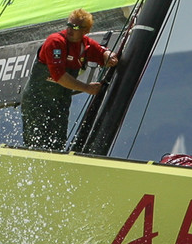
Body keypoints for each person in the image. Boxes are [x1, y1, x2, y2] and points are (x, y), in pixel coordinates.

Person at [20, 8, 119, 151]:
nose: (71, 30)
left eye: (76, 27)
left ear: (86, 30)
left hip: (60, 103)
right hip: (38, 101)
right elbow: (59, 76)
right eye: (69, 25)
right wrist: (87, 88)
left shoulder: (85, 44)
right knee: (36, 145)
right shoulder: (55, 42)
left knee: (57, 144)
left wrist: (109, 56)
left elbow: (102, 53)